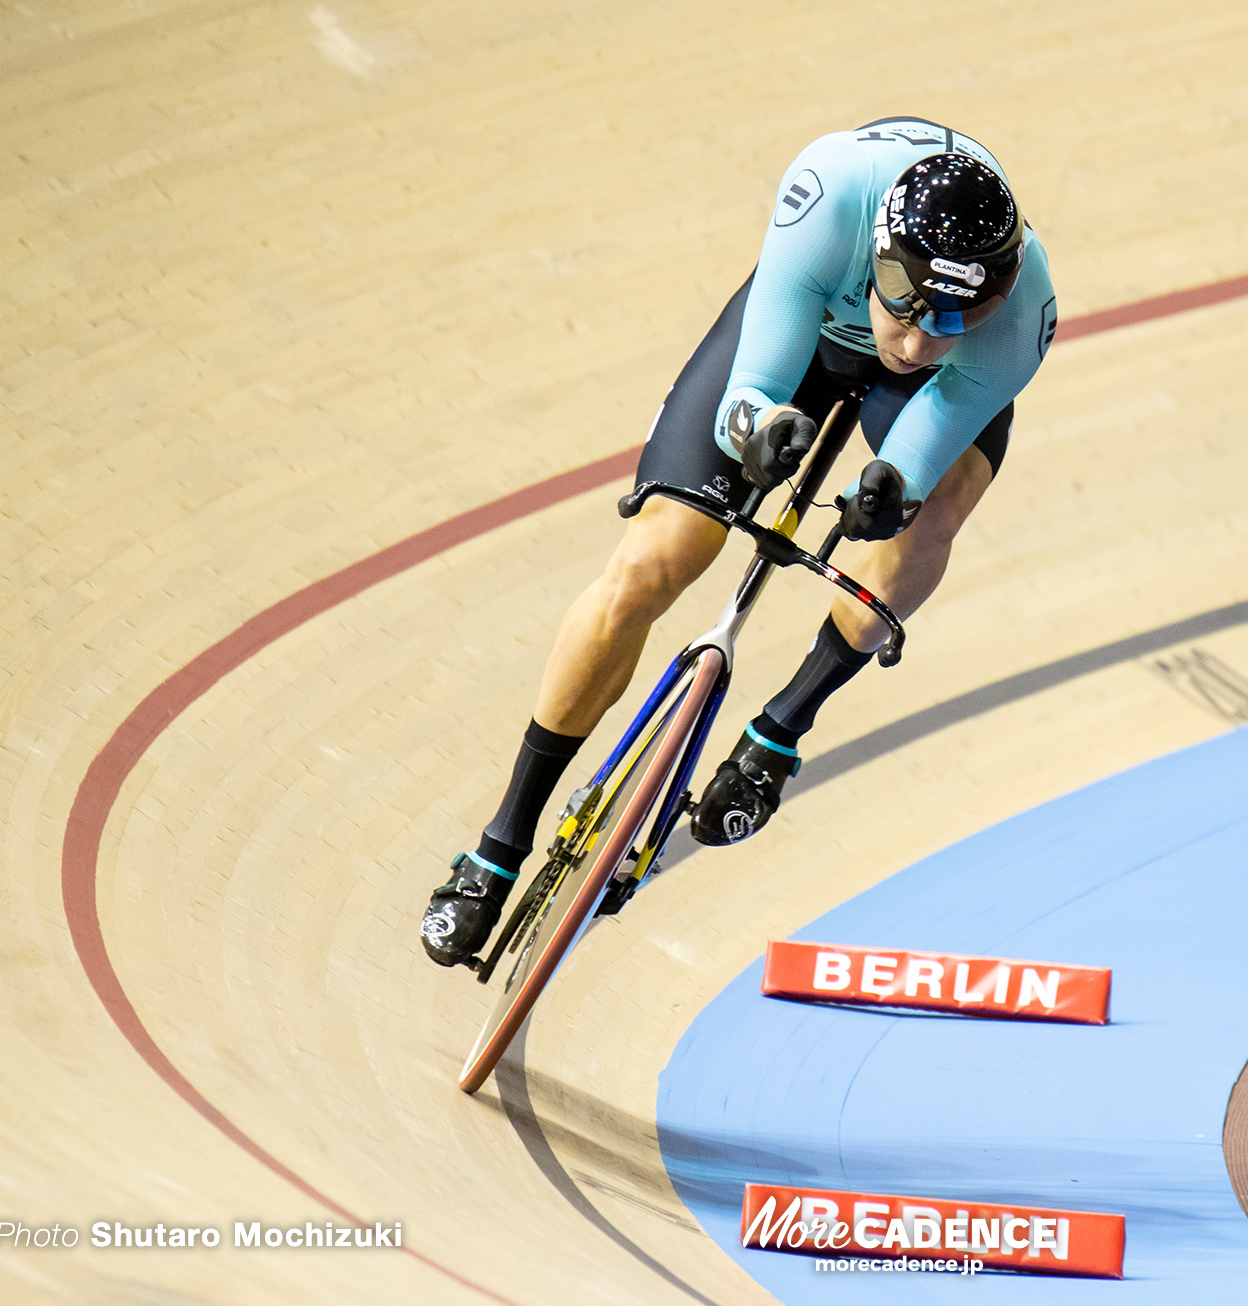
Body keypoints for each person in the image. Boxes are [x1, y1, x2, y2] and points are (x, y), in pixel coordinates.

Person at [420, 117, 1057, 966]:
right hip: (805, 337)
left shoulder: (1018, 324)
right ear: (879, 262)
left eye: (954, 325)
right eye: (907, 315)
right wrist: (759, 428)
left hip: (934, 402)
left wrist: (889, 494)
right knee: (656, 561)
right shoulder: (830, 198)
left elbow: (911, 461)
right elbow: (750, 391)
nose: (919, 344)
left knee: (935, 510)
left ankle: (781, 730)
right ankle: (501, 842)